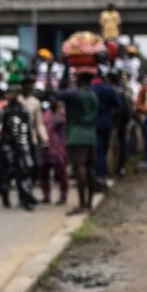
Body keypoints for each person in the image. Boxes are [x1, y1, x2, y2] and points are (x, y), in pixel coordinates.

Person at [61, 72, 100, 214]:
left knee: (80, 169)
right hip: (90, 135)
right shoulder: (93, 96)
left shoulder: (75, 96)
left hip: (76, 135)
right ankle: (89, 204)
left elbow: (57, 94)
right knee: (90, 169)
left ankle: (82, 204)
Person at [0, 83, 38, 211]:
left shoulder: (23, 109)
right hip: (8, 145)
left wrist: (28, 141)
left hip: (21, 143)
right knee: (9, 173)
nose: (10, 95)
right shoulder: (4, 110)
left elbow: (27, 127)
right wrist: (2, 137)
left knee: (24, 171)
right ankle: (5, 195)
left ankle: (26, 198)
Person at [38, 91, 70, 206]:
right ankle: (46, 195)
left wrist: (59, 108)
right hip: (46, 147)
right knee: (44, 172)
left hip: (59, 147)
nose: (52, 102)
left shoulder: (62, 113)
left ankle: (63, 195)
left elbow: (58, 122)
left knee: (61, 173)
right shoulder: (46, 113)